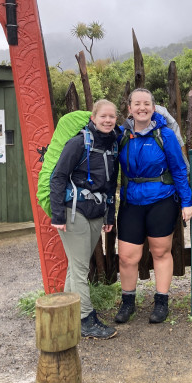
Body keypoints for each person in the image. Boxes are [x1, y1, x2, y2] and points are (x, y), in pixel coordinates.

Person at [115, 88, 192, 325]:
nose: (142, 108)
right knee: (128, 257)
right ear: (129, 109)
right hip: (131, 201)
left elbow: (179, 170)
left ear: (153, 107)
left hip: (162, 200)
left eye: (146, 103)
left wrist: (187, 202)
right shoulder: (120, 135)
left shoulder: (165, 135)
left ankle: (161, 301)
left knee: (160, 252)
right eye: (137, 104)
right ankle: (128, 302)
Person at [50, 99, 119, 339]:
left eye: (112, 117)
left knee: (75, 267)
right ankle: (87, 319)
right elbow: (58, 177)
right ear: (93, 118)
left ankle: (68, 314)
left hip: (97, 213)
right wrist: (57, 214)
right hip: (74, 212)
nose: (108, 120)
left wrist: (110, 214)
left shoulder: (112, 146)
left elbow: (111, 185)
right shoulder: (78, 142)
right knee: (80, 268)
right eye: (103, 117)